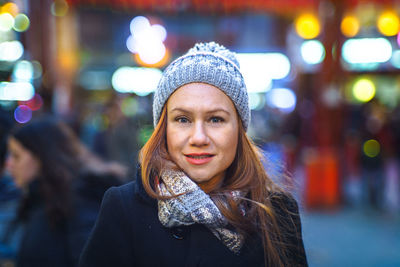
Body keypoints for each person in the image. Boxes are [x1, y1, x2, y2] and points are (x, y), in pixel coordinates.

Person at [79, 42, 307, 266]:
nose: (199, 137)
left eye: (216, 119)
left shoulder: (278, 211)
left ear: (239, 129)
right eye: (183, 119)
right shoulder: (124, 209)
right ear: (164, 129)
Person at [5, 116, 127, 267]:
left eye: (16, 156)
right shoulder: (41, 199)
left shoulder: (78, 201)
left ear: (41, 156)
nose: (8, 163)